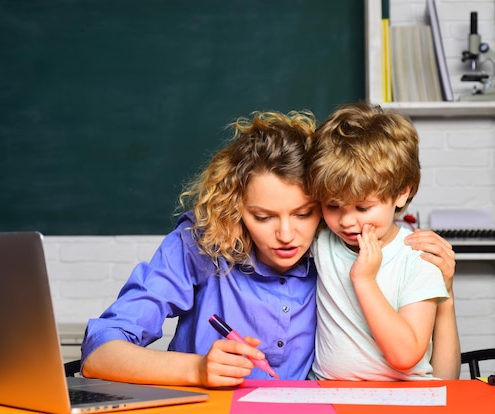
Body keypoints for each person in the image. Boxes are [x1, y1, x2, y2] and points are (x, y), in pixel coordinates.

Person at [80, 109, 459, 388]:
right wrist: (195, 370)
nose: (286, 235)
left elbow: (431, 371)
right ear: (235, 208)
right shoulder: (201, 243)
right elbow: (99, 353)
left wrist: (441, 291)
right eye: (262, 217)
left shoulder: (336, 246)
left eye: (304, 213)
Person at [307, 102, 459, 381]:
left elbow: (405, 357)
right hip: (329, 394)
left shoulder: (418, 256)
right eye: (332, 206)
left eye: (363, 208)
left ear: (402, 193)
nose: (347, 221)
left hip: (405, 398)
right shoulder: (322, 240)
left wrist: (364, 280)